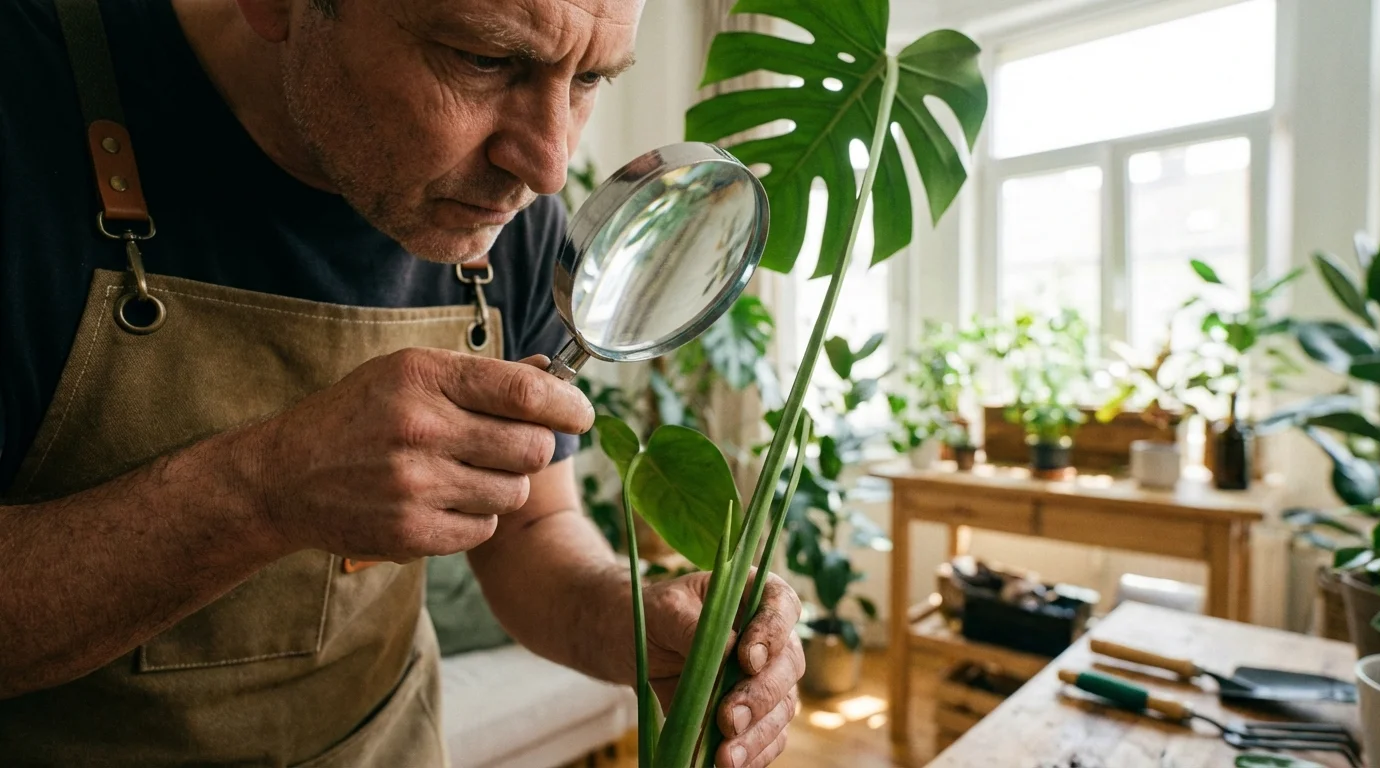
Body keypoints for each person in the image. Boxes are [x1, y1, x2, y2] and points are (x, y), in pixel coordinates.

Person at [0, 0, 803, 765]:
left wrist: (635, 622)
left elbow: (530, 532)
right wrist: (262, 487)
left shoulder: (515, 228)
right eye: (485, 58)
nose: (549, 167)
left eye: (591, 79)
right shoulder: (27, 105)